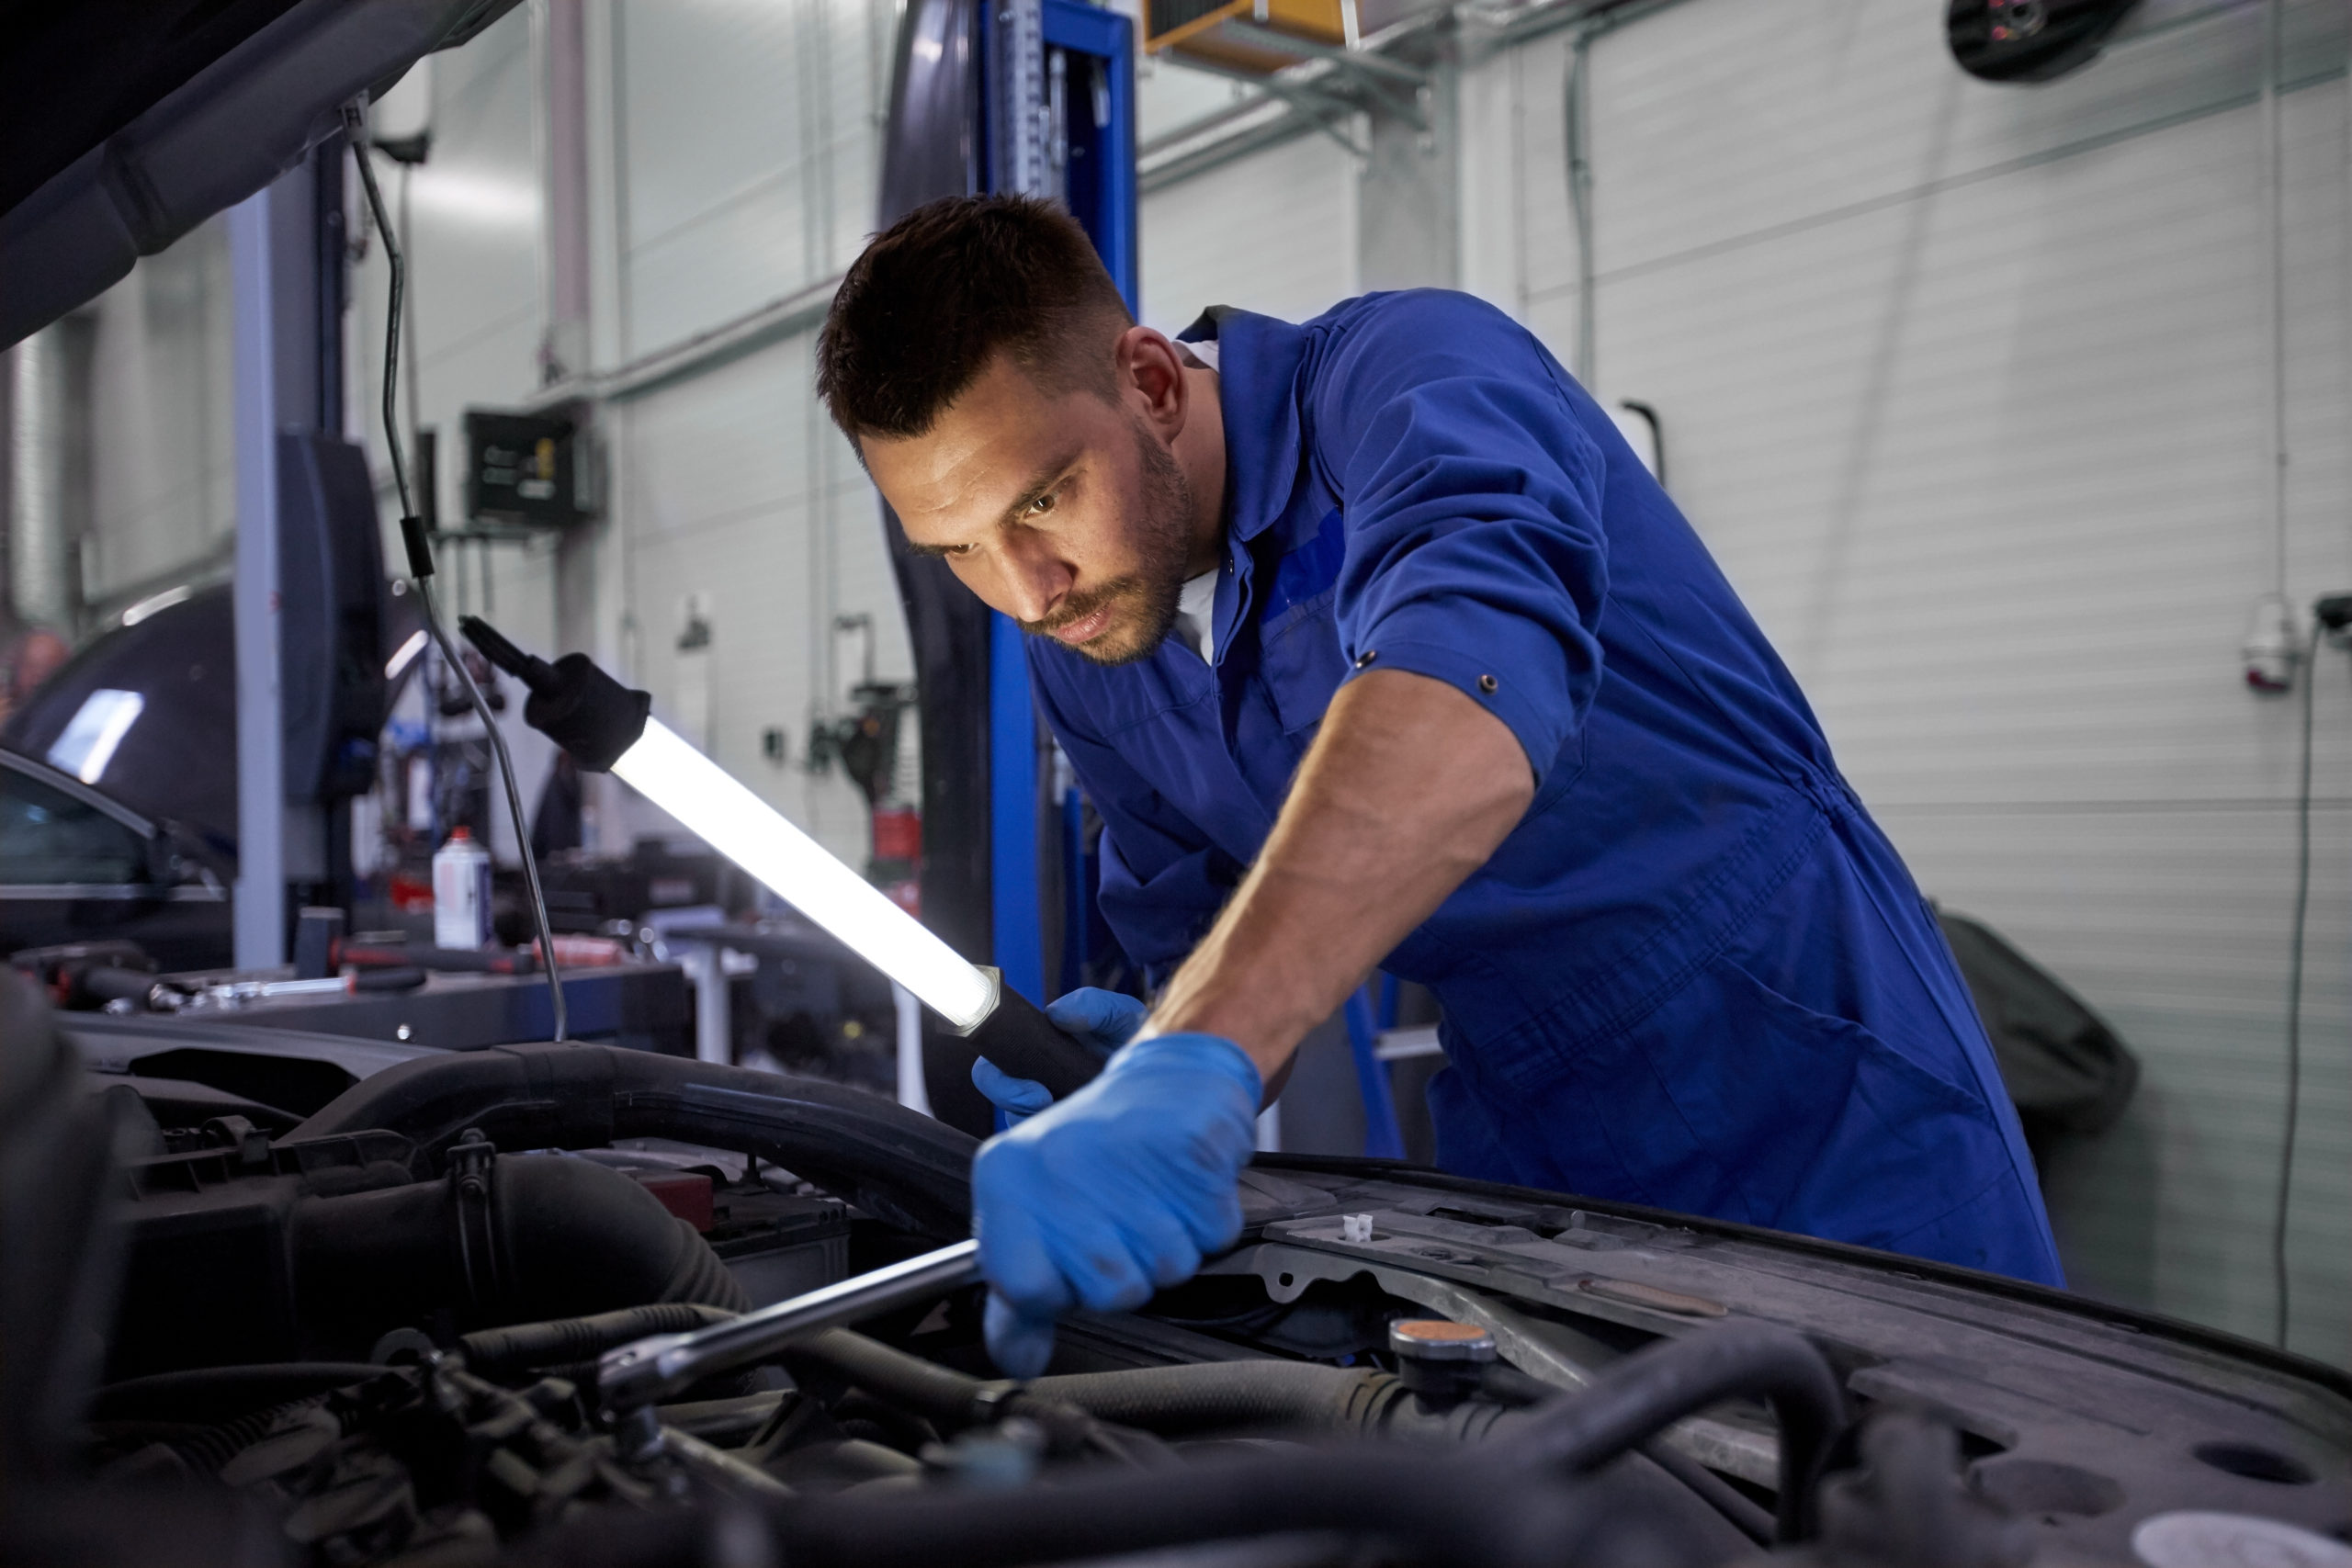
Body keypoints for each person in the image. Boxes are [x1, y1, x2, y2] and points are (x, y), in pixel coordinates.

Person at [816, 195, 2063, 1378]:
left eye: (1042, 499)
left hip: (1804, 1062)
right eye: (960, 549)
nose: (1028, 589)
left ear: (1147, 381)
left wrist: (1202, 1048)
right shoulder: (1094, 648)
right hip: (1524, 1133)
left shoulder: (1405, 379)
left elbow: (1465, 685)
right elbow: (1194, 927)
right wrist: (1141, 1045)